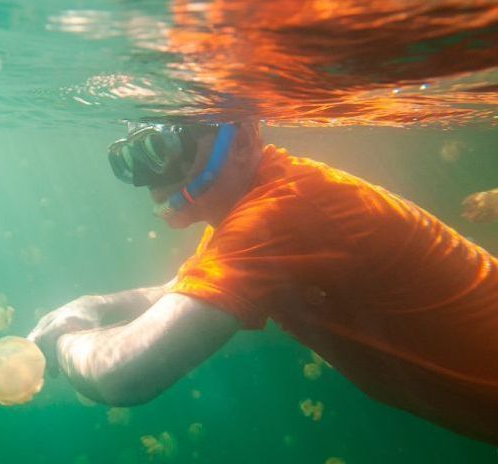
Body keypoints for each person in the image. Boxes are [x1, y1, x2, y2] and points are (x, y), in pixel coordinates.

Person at [27, 121, 498, 444]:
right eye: (137, 155)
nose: (152, 177)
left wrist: (66, 342)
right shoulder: (255, 203)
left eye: (166, 147)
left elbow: (122, 375)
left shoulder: (279, 214)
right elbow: (180, 288)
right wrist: (91, 307)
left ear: (243, 140)